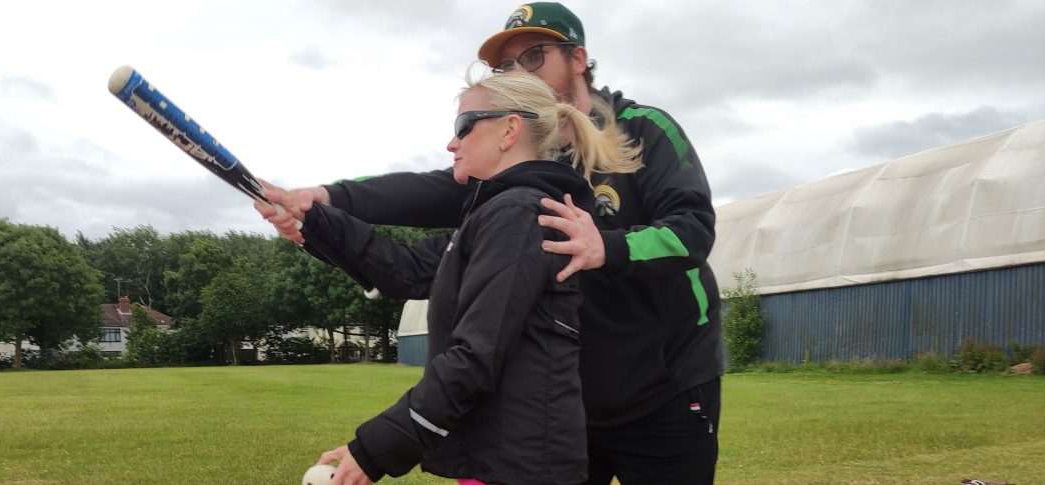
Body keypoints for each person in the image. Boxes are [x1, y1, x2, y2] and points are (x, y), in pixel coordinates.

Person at [259, 4, 724, 484]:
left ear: (578, 58)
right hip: (569, 398)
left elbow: (692, 230)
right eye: (507, 65)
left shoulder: (643, 129)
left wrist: (606, 246)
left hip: (662, 386)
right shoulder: (510, 185)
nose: (520, 71)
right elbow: (421, 204)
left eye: (534, 56)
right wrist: (322, 204)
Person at [283, 72, 641, 485]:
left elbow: (475, 356)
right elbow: (406, 270)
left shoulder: (518, 215)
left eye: (463, 127)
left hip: (522, 467)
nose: (452, 143)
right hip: (498, 457)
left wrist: (373, 450)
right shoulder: (493, 216)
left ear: (509, 129)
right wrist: (311, 220)